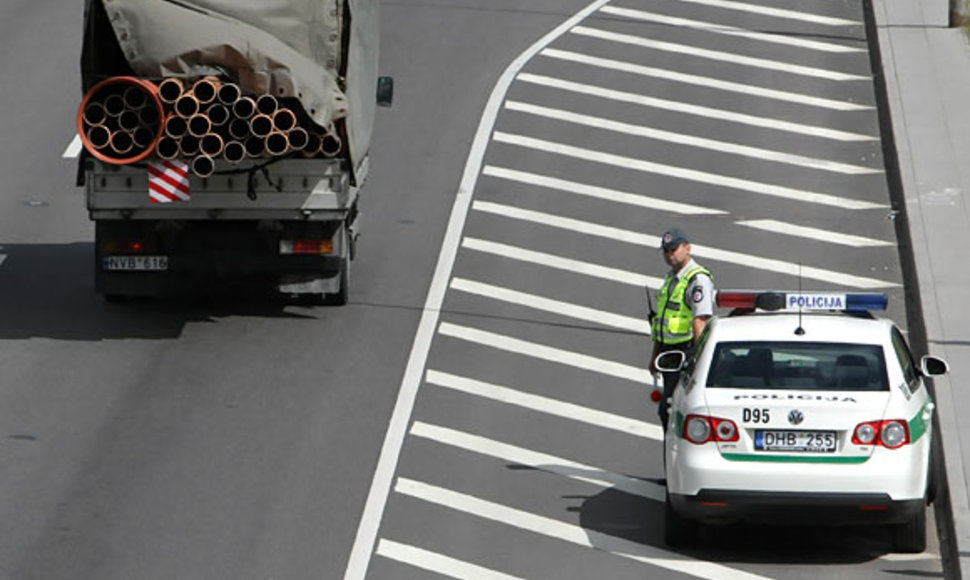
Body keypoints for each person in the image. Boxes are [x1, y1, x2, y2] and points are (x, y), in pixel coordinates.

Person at [649, 228, 715, 429]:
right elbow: (662, 321)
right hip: (668, 354)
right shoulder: (671, 278)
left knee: (670, 410)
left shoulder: (697, 279)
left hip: (686, 353)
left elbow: (700, 321)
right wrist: (654, 356)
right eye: (666, 250)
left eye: (674, 249)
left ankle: (676, 455)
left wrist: (699, 361)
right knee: (670, 409)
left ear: (688, 248)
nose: (670, 255)